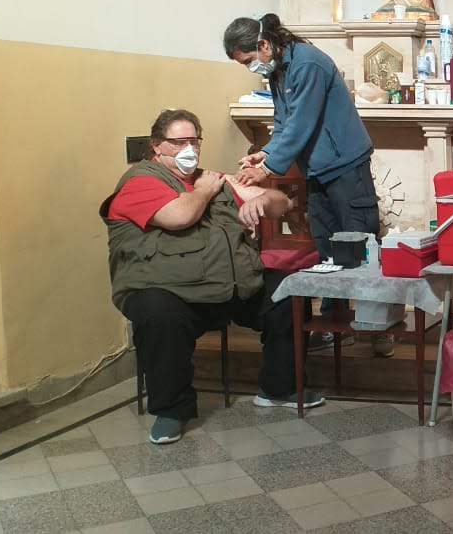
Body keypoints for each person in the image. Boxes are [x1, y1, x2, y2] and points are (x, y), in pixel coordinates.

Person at [100, 109, 325, 445]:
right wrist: (203, 191)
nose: (188, 149)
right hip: (168, 290)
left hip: (228, 285)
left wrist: (262, 200)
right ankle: (171, 411)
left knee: (287, 290)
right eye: (178, 142)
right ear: (156, 147)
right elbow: (179, 216)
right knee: (158, 314)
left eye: (194, 141)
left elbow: (282, 203)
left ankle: (280, 387)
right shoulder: (141, 182)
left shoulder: (213, 179)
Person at [223, 13, 391, 356]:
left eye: (249, 61)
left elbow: (303, 121)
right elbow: (283, 121)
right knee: (327, 247)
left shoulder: (308, 63)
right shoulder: (280, 68)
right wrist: (264, 153)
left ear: (263, 44)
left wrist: (269, 167)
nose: (250, 68)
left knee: (361, 243)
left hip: (345, 164)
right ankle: (335, 324)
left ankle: (380, 329)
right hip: (317, 169)